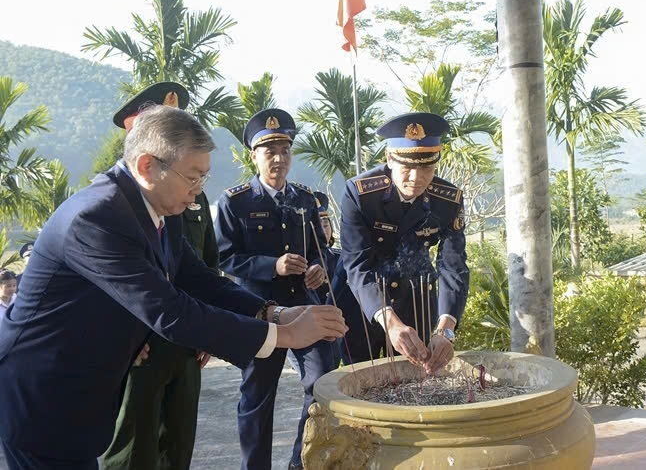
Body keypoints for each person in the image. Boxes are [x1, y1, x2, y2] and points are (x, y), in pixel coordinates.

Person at [0, 105, 346, 470]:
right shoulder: (97, 217)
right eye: (193, 177)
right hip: (44, 395)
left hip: (85, 391)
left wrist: (271, 311)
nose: (197, 193)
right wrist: (281, 336)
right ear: (149, 166)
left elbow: (197, 280)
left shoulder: (159, 208)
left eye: (203, 179)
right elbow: (170, 311)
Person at [101, 82, 220, 470]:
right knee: (133, 450)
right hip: (139, 344)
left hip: (185, 339)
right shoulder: (109, 208)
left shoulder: (190, 194)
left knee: (179, 444)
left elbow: (202, 266)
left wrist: (208, 329)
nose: (194, 187)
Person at [215, 108, 336, 470]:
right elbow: (225, 257)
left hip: (305, 305)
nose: (279, 159)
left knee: (321, 385)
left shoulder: (306, 200)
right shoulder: (236, 202)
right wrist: (273, 266)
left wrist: (319, 269)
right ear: (254, 155)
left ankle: (300, 463)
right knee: (257, 396)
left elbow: (322, 250)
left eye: (284, 150)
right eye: (270, 152)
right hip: (259, 312)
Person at [340, 112, 469, 375]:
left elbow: (452, 266)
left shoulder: (448, 200)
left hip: (416, 299)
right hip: (363, 302)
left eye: (426, 168)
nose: (416, 177)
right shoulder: (361, 194)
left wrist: (445, 328)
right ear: (389, 159)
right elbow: (357, 266)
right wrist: (391, 323)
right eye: (407, 167)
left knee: (417, 383)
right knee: (361, 383)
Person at [314, 191, 376, 366]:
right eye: (317, 225)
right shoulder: (298, 264)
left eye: (325, 224)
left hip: (347, 334)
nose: (322, 229)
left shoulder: (344, 259)